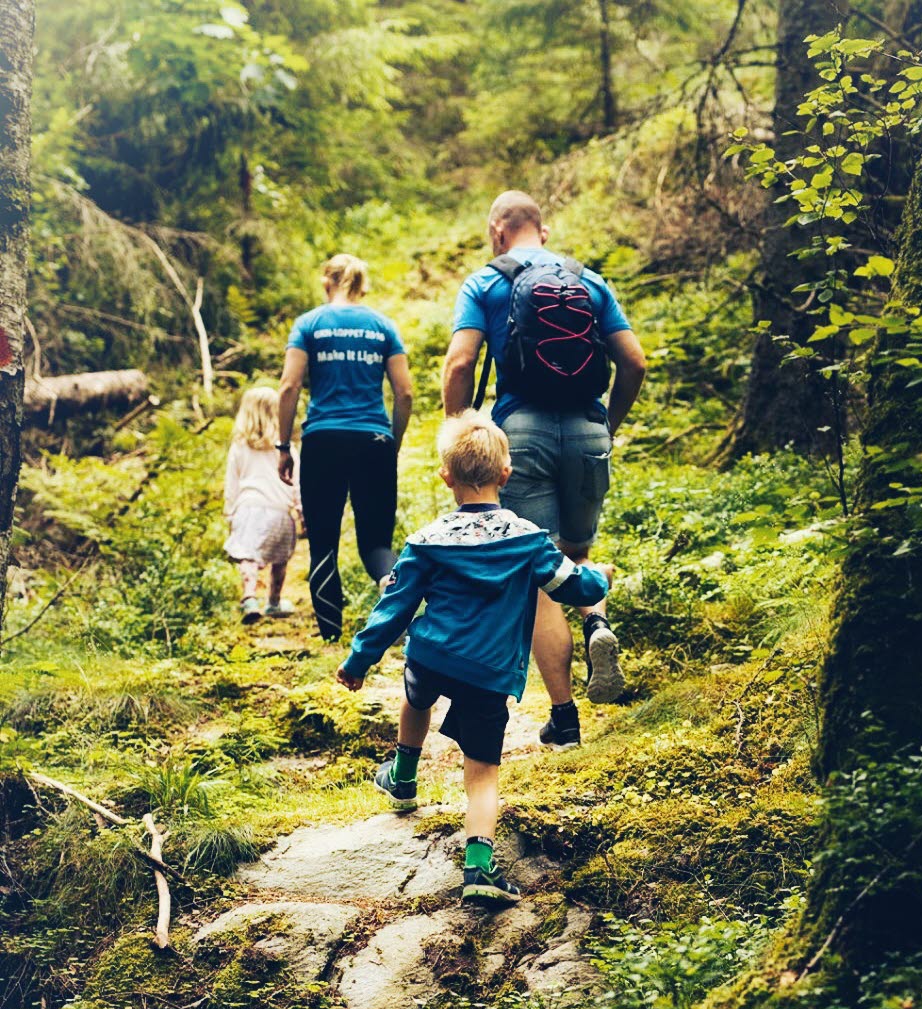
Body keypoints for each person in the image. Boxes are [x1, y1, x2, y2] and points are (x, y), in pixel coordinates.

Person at [335, 410, 611, 906]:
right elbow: (574, 586)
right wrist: (601, 579)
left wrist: (358, 661)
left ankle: (403, 776)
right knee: (482, 773)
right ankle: (479, 868)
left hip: (432, 654)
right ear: (506, 474)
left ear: (446, 477)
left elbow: (393, 607)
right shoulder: (528, 539)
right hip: (487, 671)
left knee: (415, 693)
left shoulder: (427, 540)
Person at [442, 191, 646, 749]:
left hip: (522, 434)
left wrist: (459, 435)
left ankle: (565, 719)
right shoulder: (590, 281)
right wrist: (607, 425)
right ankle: (598, 622)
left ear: (496, 231)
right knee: (577, 553)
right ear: (544, 230)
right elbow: (634, 361)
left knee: (540, 574)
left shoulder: (486, 282)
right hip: (587, 431)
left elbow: (460, 363)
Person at [278, 253, 415, 642]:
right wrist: (391, 443)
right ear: (361, 286)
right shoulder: (383, 326)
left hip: (322, 440)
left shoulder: (309, 324)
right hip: (373, 439)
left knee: (323, 543)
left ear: (327, 283)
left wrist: (283, 445)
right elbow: (404, 393)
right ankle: (392, 598)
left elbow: (289, 387)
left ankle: (330, 637)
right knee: (376, 543)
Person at [225, 385, 300, 623]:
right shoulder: (288, 449)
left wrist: (229, 513)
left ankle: (249, 598)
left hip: (248, 510)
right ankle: (274, 602)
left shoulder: (239, 446)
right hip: (280, 512)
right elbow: (297, 483)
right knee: (280, 560)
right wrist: (301, 511)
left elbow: (231, 484)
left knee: (249, 557)